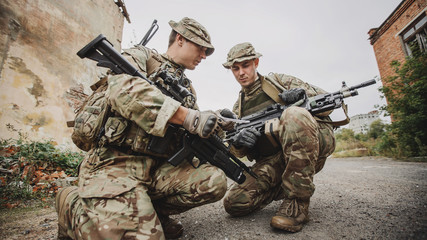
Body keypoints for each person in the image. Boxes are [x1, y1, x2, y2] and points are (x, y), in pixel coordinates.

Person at [55, 17, 230, 240]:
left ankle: (149, 212)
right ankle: (71, 206)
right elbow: (123, 89)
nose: (204, 56)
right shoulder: (142, 56)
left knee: (212, 182)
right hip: (114, 164)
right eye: (201, 48)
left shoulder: (187, 89)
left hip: (155, 168)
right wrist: (188, 117)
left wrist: (217, 122)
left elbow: (192, 128)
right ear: (180, 39)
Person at [222, 42, 336, 233]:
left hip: (310, 146)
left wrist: (303, 96)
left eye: (245, 65)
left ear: (256, 63)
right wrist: (240, 142)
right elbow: (237, 152)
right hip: (276, 160)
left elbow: (328, 100)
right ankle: (287, 183)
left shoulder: (279, 82)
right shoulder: (238, 108)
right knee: (234, 203)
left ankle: (297, 203)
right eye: (235, 68)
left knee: (293, 115)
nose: (241, 72)